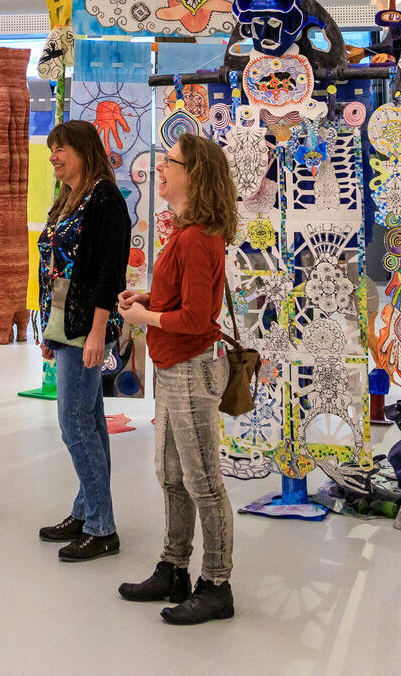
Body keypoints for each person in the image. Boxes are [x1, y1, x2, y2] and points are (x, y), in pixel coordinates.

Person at [118, 133, 238, 624]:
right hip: (176, 367)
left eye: (170, 162)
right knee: (172, 475)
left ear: (195, 174)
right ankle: (173, 566)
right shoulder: (188, 233)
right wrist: (147, 300)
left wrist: (146, 319)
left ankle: (216, 583)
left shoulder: (195, 238)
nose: (160, 169)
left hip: (190, 367)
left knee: (203, 480)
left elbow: (194, 319)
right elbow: (184, 303)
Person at [37, 120, 131, 562]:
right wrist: (47, 331)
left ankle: (101, 526)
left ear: (85, 151)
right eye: (52, 149)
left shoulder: (105, 198)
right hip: (64, 323)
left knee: (74, 424)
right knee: (89, 422)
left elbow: (107, 272)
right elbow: (55, 269)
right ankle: (86, 510)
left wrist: (96, 331)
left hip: (85, 327)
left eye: (62, 149)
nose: (53, 156)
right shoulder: (68, 198)